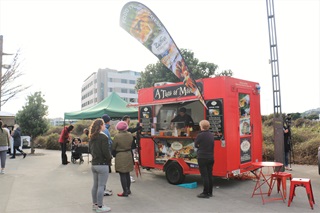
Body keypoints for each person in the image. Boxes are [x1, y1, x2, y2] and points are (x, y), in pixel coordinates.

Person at [89, 118, 112, 212]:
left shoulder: (91, 137)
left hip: (94, 163)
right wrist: (110, 158)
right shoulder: (104, 137)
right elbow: (106, 152)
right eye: (103, 125)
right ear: (100, 126)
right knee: (101, 186)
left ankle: (95, 204)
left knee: (95, 185)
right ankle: (100, 206)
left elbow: (89, 150)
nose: (104, 126)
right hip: (102, 164)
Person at [112, 121, 134, 197]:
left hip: (120, 155)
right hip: (128, 154)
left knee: (122, 174)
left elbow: (113, 147)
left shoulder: (117, 136)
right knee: (127, 173)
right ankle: (128, 189)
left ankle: (125, 191)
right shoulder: (130, 135)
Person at [195, 120, 215, 198]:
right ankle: (210, 192)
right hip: (210, 157)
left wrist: (200, 147)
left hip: (202, 157)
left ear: (201, 127)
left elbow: (196, 145)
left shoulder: (200, 135)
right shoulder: (211, 135)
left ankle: (205, 193)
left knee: (204, 176)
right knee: (210, 175)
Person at [122, 115, 142, 183]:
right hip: (129, 148)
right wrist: (140, 126)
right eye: (128, 121)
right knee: (130, 162)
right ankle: (129, 177)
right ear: (124, 121)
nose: (129, 122)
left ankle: (129, 176)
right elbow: (132, 130)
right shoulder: (124, 128)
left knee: (132, 160)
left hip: (130, 147)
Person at [101, 114, 113, 196]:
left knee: (104, 173)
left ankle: (103, 188)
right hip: (104, 154)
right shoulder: (105, 130)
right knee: (104, 173)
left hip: (102, 154)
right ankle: (103, 190)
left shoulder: (104, 129)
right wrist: (109, 156)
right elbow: (106, 143)